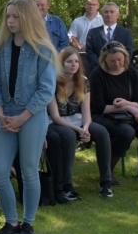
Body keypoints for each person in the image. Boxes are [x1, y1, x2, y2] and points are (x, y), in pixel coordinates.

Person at [0, 0, 58, 234]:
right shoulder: (0, 50)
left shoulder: (42, 50)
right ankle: (11, 222)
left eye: (16, 16)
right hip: (6, 115)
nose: (10, 21)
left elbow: (46, 90)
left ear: (28, 17)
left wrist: (22, 117)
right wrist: (0, 114)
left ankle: (28, 224)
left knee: (29, 172)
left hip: (33, 115)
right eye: (8, 16)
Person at [47, 47, 111, 198]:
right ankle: (67, 185)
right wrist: (78, 129)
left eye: (76, 61)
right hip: (56, 123)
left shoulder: (83, 81)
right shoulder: (52, 82)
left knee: (101, 132)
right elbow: (55, 116)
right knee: (69, 135)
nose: (73, 65)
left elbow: (86, 112)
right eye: (69, 62)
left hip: (79, 120)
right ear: (61, 63)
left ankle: (106, 182)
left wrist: (86, 128)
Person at [90, 41, 138, 191]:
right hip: (104, 115)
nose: (117, 64)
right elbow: (99, 107)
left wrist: (128, 105)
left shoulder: (130, 72)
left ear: (125, 57)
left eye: (120, 59)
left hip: (129, 114)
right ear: (104, 59)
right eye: (112, 61)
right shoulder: (97, 75)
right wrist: (128, 107)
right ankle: (108, 172)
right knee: (126, 132)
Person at [86, 2, 134, 72]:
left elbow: (128, 52)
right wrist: (103, 66)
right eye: (106, 12)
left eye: (112, 12)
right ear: (102, 15)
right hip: (98, 72)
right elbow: (89, 52)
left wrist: (117, 66)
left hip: (119, 72)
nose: (109, 14)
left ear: (118, 15)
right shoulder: (92, 33)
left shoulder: (126, 33)